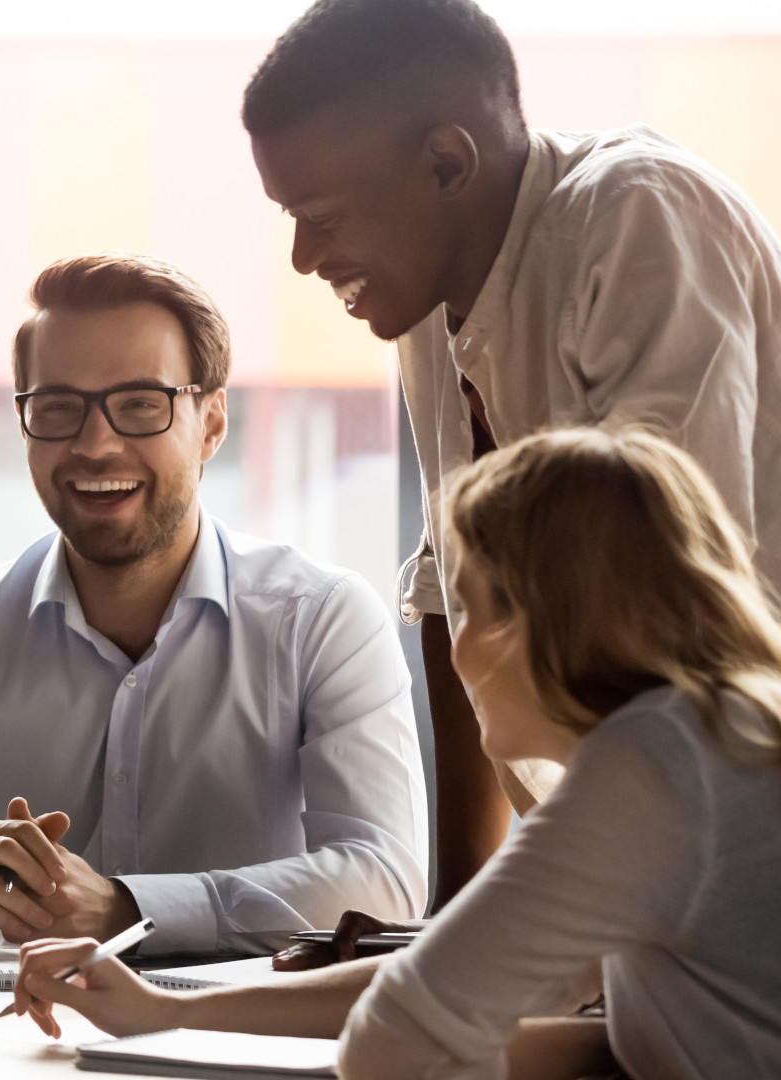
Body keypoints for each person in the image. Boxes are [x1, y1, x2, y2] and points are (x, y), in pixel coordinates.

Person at [13, 429, 781, 1080]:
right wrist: (165, 1011)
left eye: (466, 608)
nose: (450, 653)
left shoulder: (648, 765)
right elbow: (447, 985)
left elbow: (396, 1036)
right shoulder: (717, 739)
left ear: (539, 621)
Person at [244, 0, 781, 907]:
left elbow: (664, 618)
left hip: (728, 864)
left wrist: (497, 953)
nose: (302, 257)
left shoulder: (637, 216)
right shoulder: (425, 298)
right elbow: (451, 598)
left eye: (322, 217)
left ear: (447, 163)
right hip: (623, 864)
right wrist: (448, 921)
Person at [0, 252, 428, 956]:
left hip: (244, 1049)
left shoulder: (324, 621)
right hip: (15, 1042)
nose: (96, 445)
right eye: (58, 409)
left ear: (212, 423)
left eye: (139, 406)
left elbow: (383, 882)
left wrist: (125, 907)